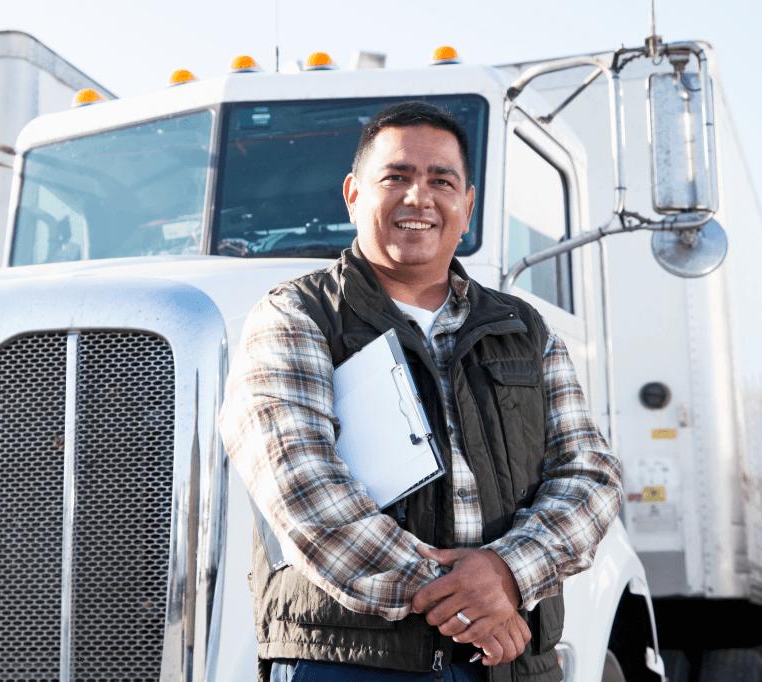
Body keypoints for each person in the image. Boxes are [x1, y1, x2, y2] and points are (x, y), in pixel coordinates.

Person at [218, 101, 621, 682]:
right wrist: (467, 601)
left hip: (512, 662)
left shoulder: (526, 330)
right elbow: (302, 489)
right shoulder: (294, 316)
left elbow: (591, 475)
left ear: (468, 204)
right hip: (351, 664)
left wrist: (507, 573)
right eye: (397, 177)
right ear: (354, 193)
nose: (418, 198)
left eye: (441, 181)